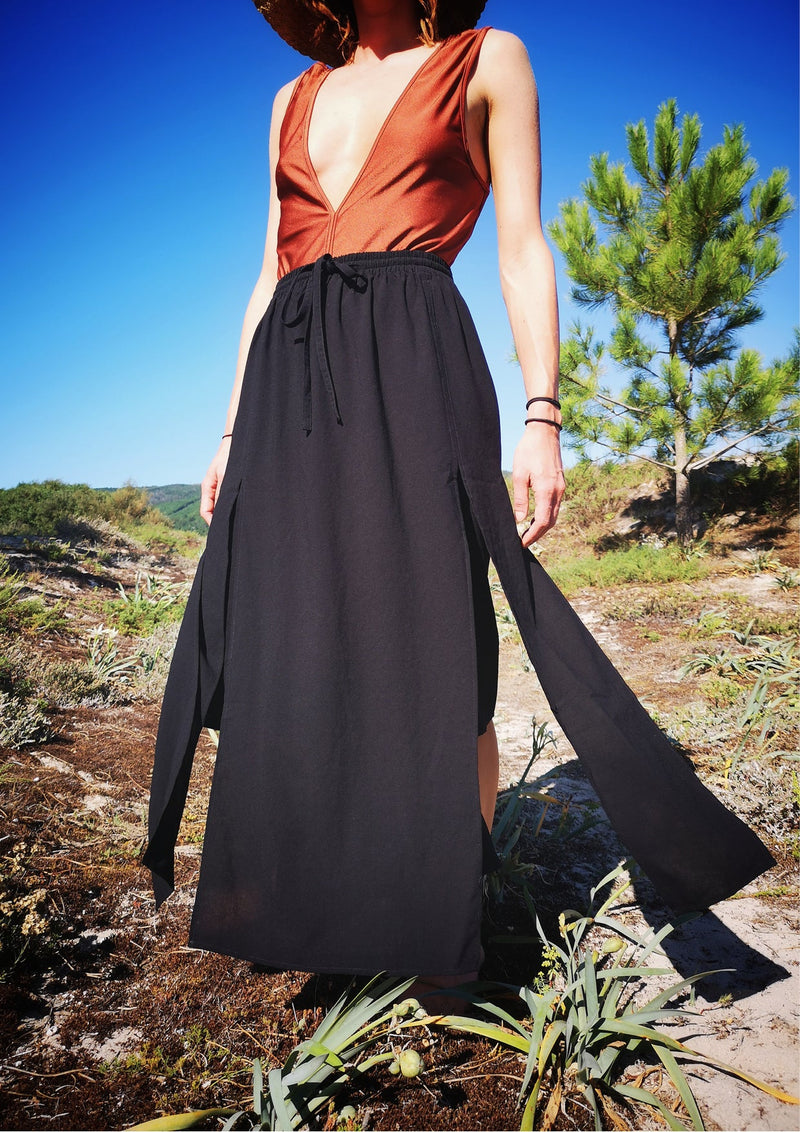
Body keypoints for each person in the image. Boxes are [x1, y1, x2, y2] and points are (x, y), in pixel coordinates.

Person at [143, 0, 774, 1001]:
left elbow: (521, 243)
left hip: (414, 360)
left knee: (437, 641)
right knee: (293, 644)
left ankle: (448, 915)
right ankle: (325, 903)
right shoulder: (289, 98)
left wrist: (542, 415)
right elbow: (269, 271)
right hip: (286, 382)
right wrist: (228, 431)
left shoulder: (487, 60)